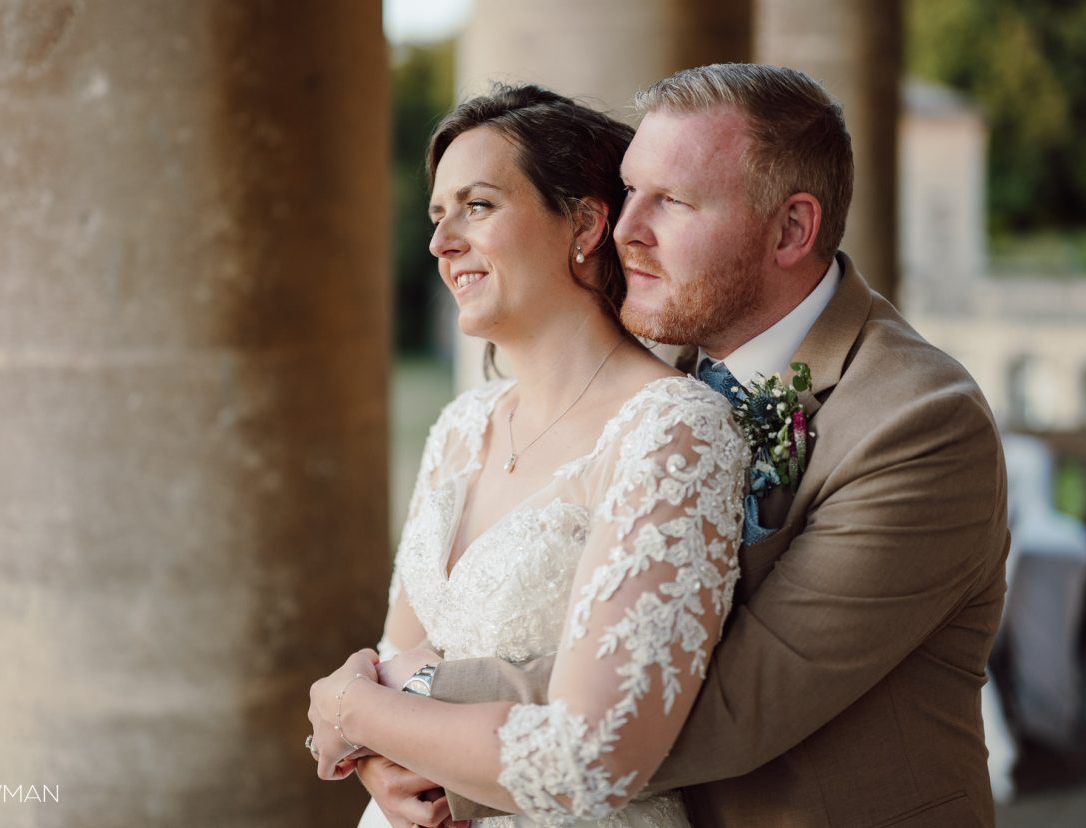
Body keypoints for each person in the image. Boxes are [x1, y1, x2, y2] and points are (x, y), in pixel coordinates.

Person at [362, 64, 1010, 827]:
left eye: (670, 201)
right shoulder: (647, 374)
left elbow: (724, 704)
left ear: (791, 230)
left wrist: (398, 709)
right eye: (631, 189)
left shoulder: (919, 423)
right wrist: (390, 738)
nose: (626, 227)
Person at [306, 84, 749, 826]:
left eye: (477, 206)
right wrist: (381, 769)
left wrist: (351, 708)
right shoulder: (462, 425)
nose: (442, 243)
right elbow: (400, 655)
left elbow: (590, 759)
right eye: (438, 215)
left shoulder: (671, 430)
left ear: (582, 224)